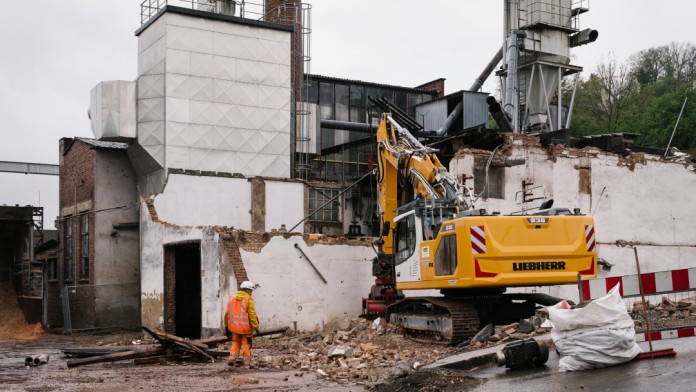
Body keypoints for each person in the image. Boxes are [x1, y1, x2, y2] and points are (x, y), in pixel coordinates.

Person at [224, 280, 259, 368]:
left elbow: (226, 314)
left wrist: (226, 327)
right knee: (246, 345)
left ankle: (231, 360)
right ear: (247, 290)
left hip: (234, 328)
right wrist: (256, 326)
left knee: (236, 343)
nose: (251, 293)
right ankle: (247, 363)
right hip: (245, 329)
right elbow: (252, 315)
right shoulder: (248, 300)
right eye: (251, 291)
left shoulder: (231, 298)